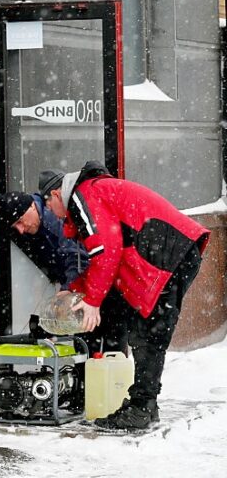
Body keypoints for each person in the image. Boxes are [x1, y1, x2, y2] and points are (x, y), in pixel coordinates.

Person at [38, 161, 210, 430]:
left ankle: (142, 408)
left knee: (149, 332)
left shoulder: (84, 194)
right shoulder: (93, 192)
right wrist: (77, 290)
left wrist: (93, 301)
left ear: (57, 194)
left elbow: (106, 250)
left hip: (166, 251)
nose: (51, 212)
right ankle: (144, 405)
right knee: (144, 327)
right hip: (168, 251)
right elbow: (105, 258)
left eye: (48, 205)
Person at [0, 191, 129, 355]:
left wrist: (68, 287)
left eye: (20, 221)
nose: (20, 230)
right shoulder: (35, 225)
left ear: (32, 207)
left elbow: (77, 257)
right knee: (87, 345)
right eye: (15, 226)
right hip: (84, 287)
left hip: (101, 285)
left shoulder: (55, 220)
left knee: (105, 345)